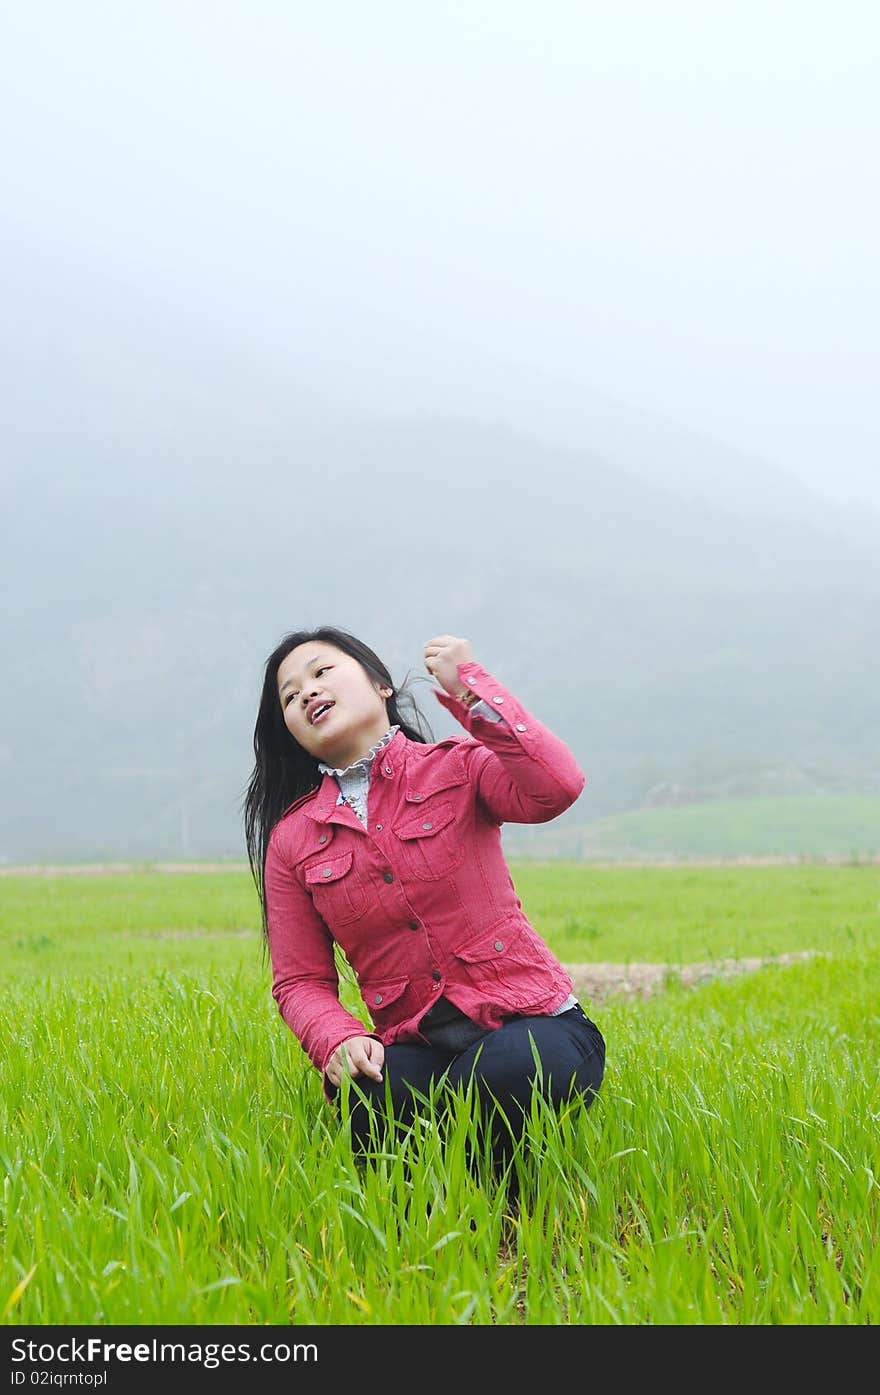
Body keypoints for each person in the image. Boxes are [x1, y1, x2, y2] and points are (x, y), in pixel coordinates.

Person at [243, 626, 605, 1173]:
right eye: (290, 697)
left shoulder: (457, 765)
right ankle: (452, 1186)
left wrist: (471, 690)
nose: (307, 694)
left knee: (509, 1070)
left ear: (381, 685)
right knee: (366, 1101)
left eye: (321, 673)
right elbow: (300, 982)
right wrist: (337, 1040)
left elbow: (557, 786)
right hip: (421, 1045)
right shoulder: (292, 840)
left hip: (529, 1023)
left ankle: (487, 1187)